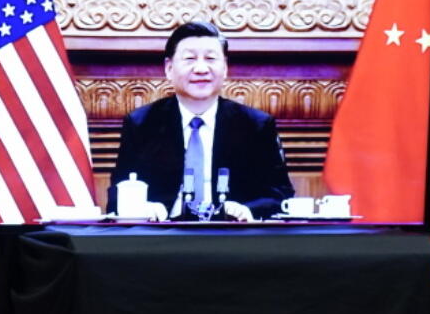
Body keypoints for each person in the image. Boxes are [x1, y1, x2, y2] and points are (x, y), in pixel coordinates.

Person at [108, 21, 294, 221]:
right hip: (162, 237)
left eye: (211, 58)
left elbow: (280, 195)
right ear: (169, 68)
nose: (201, 68)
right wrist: (146, 208)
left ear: (225, 68)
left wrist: (248, 210)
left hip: (233, 238)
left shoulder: (255, 125)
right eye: (189, 59)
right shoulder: (142, 123)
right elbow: (117, 194)